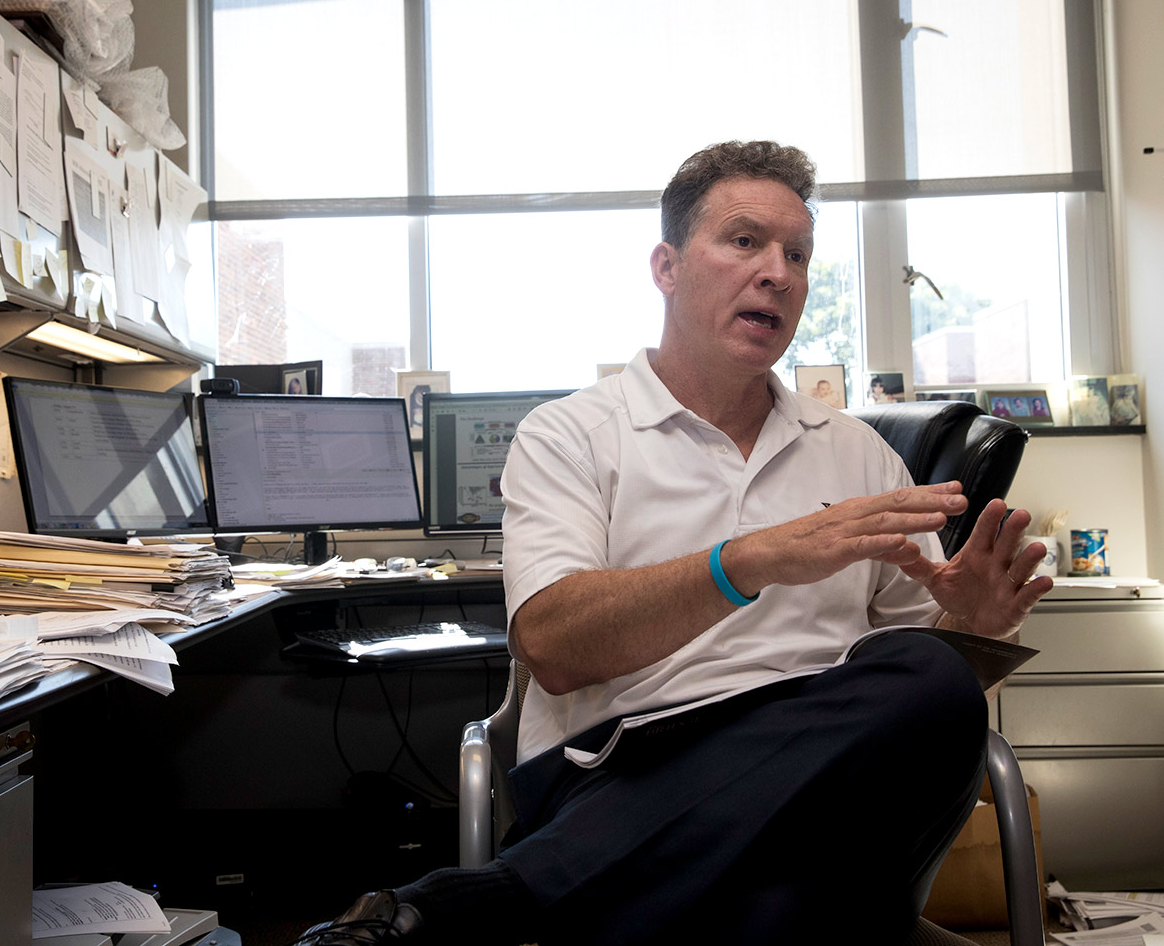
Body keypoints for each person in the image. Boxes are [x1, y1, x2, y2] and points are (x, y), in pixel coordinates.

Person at [288, 141, 1052, 945]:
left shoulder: (858, 452)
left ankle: (489, 901)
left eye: (798, 253)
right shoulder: (571, 435)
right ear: (667, 266)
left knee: (930, 674)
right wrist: (752, 559)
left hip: (829, 780)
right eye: (745, 240)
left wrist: (971, 628)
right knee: (792, 898)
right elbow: (552, 645)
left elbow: (908, 701)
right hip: (626, 768)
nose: (779, 273)